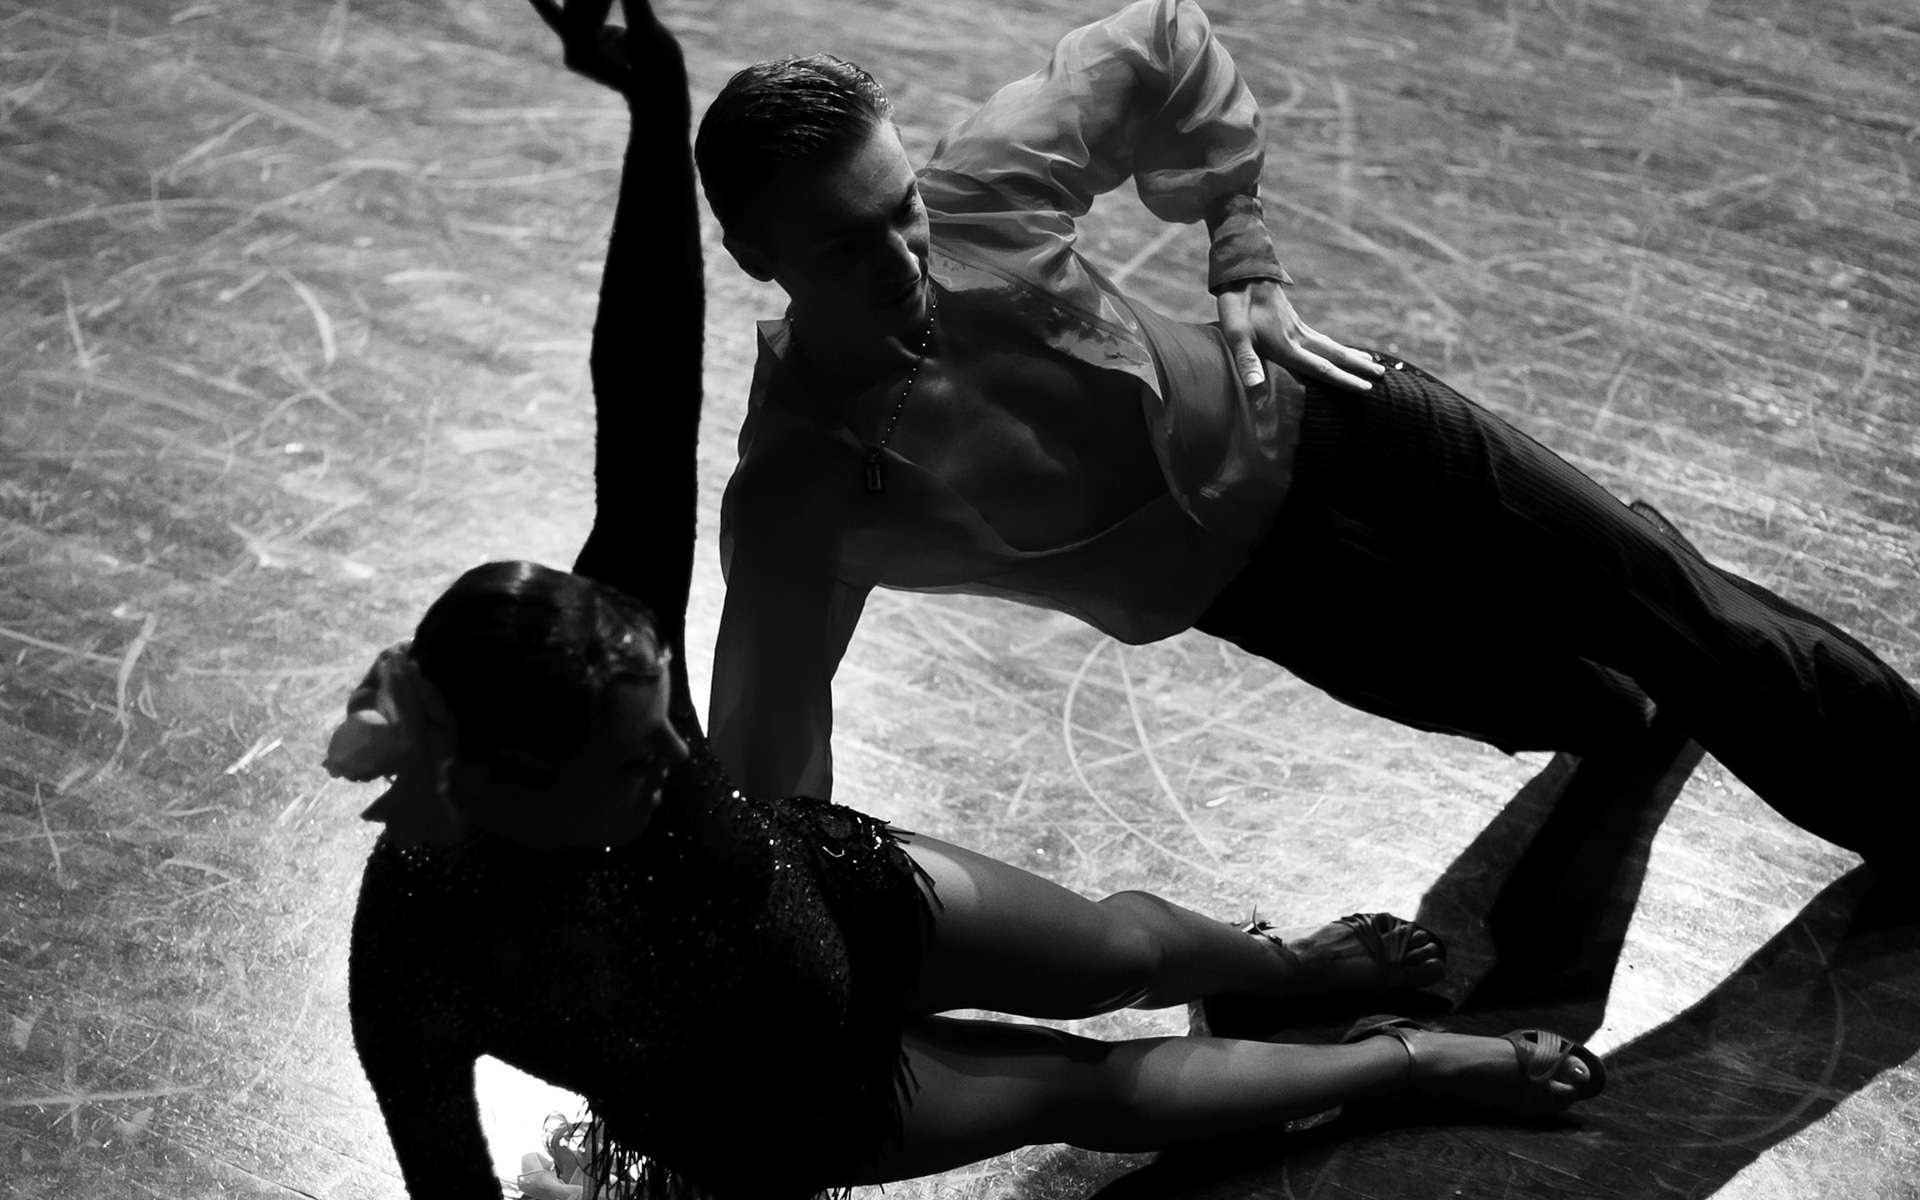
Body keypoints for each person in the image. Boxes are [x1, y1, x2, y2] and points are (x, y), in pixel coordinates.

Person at [647, 0, 1920, 885]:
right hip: (1280, 599)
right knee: (1588, 704)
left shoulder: (980, 188)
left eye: (902, 210)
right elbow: (768, 755)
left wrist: (1241, 243)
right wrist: (770, 930)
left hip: (1349, 425)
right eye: (845, 244)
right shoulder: (797, 494)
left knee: (1688, 625)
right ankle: (1629, 573)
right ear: (753, 255)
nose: (901, 257)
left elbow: (1159, 43)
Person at [331, 558, 1605, 1200]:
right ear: (505, 786)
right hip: (781, 1100)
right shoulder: (417, 958)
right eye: (631, 759)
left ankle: (1284, 964)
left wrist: (656, 151)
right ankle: (1401, 1062)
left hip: (838, 890)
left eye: (671, 717)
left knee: (1119, 948)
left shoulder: (593, 686)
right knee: (1078, 1090)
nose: (677, 757)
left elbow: (647, 397)